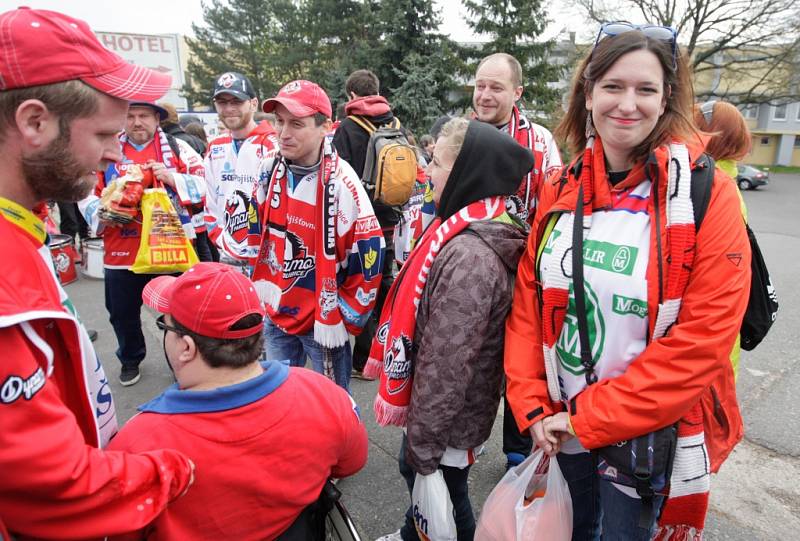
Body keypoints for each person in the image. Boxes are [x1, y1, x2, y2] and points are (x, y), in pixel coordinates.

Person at [504, 23, 751, 539]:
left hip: (646, 440)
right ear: (588, 93)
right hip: (560, 427)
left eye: (646, 90)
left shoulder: (710, 196)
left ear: (666, 101)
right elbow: (527, 307)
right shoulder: (561, 186)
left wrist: (588, 419)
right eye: (613, 87)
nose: (627, 104)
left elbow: (702, 342)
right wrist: (532, 405)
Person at [0, 7, 193, 539]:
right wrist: (183, 466)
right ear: (34, 122)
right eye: (105, 133)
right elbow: (54, 488)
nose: (116, 152)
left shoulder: (24, 224)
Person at [107, 262, 368, 540]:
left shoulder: (135, 447)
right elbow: (352, 462)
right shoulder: (323, 394)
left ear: (186, 347)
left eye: (165, 325)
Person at [369, 118, 533, 541]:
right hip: (445, 413)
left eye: (437, 163)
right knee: (431, 490)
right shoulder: (458, 229)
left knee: (443, 490)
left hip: (445, 418)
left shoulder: (469, 256)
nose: (427, 173)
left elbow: (447, 361)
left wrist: (423, 444)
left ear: (465, 173)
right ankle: (412, 534)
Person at [231, 79, 384, 393]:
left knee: (332, 405)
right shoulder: (267, 169)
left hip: (321, 324)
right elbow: (254, 231)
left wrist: (342, 314)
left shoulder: (343, 184)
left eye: (297, 124)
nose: (284, 133)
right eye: (280, 122)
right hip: (274, 310)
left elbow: (370, 252)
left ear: (326, 126)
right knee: (277, 395)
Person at [473, 51, 564, 470]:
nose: (485, 95)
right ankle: (465, 441)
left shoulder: (539, 141)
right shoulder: (464, 134)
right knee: (471, 359)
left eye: (496, 87)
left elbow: (557, 207)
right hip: (472, 271)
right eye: (480, 85)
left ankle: (517, 449)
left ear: (517, 92)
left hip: (525, 272)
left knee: (520, 363)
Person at [80, 100, 207, 386]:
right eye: (131, 116)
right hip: (121, 250)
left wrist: (170, 177)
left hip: (170, 250)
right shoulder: (108, 150)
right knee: (122, 314)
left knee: (179, 311)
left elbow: (204, 182)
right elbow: (85, 189)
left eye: (144, 116)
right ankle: (130, 358)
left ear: (157, 119)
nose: (137, 122)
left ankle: (182, 360)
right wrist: (103, 212)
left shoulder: (177, 149)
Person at [331, 69, 404, 380]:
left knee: (361, 283)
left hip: (360, 219)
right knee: (385, 280)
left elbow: (334, 173)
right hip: (390, 215)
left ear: (351, 95)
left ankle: (364, 359)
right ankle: (392, 343)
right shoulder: (395, 124)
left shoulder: (347, 127)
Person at [205, 71, 279, 268]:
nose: (229, 109)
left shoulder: (272, 145)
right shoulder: (215, 146)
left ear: (253, 104)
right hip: (227, 256)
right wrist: (220, 238)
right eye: (222, 102)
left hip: (266, 259)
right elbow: (209, 201)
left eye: (236, 101)